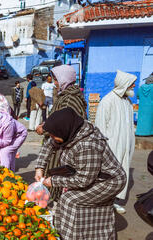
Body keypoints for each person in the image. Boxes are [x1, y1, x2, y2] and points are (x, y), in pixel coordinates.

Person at [35, 108, 127, 240]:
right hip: (93, 176)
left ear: (65, 130)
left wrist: (53, 180)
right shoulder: (69, 131)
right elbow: (49, 145)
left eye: (53, 135)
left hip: (109, 181)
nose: (52, 138)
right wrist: (39, 168)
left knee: (70, 200)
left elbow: (84, 180)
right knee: (71, 200)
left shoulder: (87, 144)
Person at [35, 65, 88, 203]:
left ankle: (57, 206)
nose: (55, 83)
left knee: (58, 177)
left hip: (63, 146)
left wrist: (45, 129)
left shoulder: (69, 99)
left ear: (64, 79)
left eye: (56, 80)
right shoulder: (66, 96)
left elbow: (62, 125)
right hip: (58, 142)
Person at [94, 70, 137, 214]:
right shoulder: (107, 101)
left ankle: (115, 201)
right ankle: (106, 203)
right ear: (124, 84)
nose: (134, 86)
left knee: (122, 173)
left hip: (125, 146)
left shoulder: (127, 102)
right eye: (131, 84)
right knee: (109, 176)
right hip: (111, 147)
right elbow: (99, 129)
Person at [136, 72, 153, 137]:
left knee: (142, 120)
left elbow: (137, 96)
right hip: (151, 107)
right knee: (150, 121)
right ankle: (149, 132)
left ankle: (141, 132)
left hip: (142, 107)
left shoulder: (141, 87)